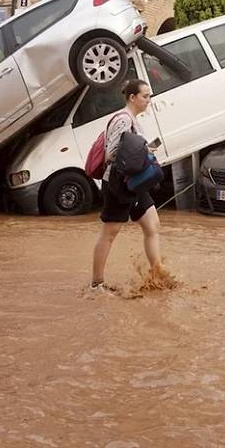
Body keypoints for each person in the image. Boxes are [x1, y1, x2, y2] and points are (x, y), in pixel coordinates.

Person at [91, 79, 162, 291]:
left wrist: (145, 150)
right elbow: (111, 154)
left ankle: (158, 275)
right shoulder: (123, 120)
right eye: (145, 96)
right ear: (132, 97)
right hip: (118, 184)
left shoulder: (133, 119)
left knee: (152, 225)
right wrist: (145, 152)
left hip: (134, 183)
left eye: (149, 96)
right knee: (110, 233)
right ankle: (96, 284)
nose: (149, 100)